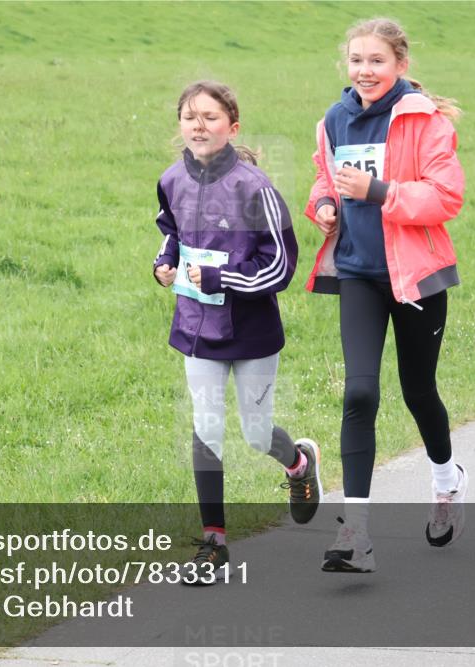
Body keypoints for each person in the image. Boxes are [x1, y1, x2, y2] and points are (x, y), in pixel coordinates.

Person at [304, 18, 467, 573]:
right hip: (358, 274)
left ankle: (446, 482)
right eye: (357, 60)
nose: (365, 71)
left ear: (401, 64)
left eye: (377, 60)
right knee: (359, 393)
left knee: (418, 390)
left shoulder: (424, 120)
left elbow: (446, 196)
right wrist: (325, 205)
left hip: (415, 276)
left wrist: (378, 191)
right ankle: (356, 534)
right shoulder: (334, 119)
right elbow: (326, 177)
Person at [153, 80, 319, 585]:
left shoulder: (255, 188)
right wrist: (164, 263)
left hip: (251, 332)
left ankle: (298, 463)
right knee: (206, 426)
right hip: (196, 327)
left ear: (233, 126)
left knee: (255, 434)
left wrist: (222, 278)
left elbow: (281, 266)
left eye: (210, 117)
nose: (198, 126)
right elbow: (170, 232)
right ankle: (214, 543)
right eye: (190, 117)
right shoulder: (171, 179)